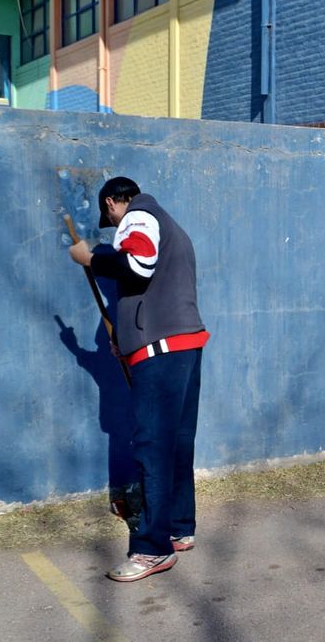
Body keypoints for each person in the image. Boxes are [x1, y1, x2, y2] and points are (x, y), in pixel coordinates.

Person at [68, 176, 210, 581]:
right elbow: (152, 284)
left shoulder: (139, 216)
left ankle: (152, 549)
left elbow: (136, 263)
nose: (114, 226)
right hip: (182, 346)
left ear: (114, 202)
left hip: (161, 352)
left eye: (110, 217)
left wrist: (91, 257)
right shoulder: (170, 224)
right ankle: (179, 528)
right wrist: (125, 338)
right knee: (177, 442)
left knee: (151, 446)